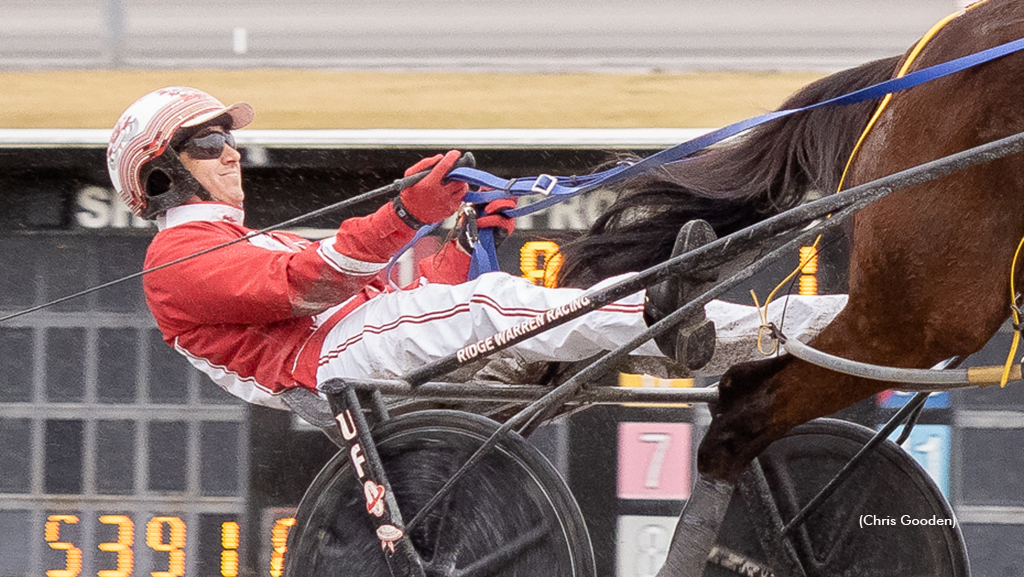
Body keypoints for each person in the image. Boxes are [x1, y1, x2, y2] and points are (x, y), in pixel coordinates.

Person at [108, 87, 846, 410]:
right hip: (327, 368)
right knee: (494, 305)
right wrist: (406, 209)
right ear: (162, 174)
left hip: (355, 350)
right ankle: (670, 313)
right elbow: (318, 280)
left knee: (533, 337)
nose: (232, 152)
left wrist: (466, 237)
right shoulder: (178, 263)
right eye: (209, 143)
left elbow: (390, 298)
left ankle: (795, 333)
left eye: (229, 137)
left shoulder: (234, 242)